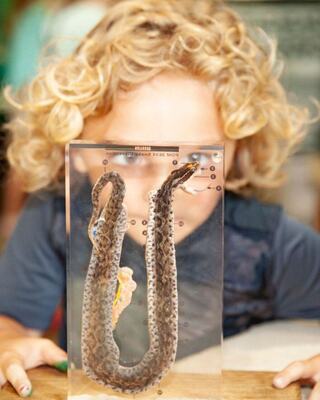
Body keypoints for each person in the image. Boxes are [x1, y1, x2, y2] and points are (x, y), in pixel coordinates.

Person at [0, 0, 320, 398]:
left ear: (238, 150)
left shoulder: (269, 240)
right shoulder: (52, 218)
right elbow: (11, 320)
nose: (158, 186)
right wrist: (7, 343)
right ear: (76, 150)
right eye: (129, 156)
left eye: (199, 157)